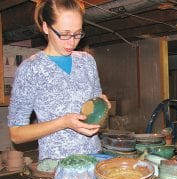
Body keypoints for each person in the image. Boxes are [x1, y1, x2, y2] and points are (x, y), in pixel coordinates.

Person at [8, 0, 110, 161]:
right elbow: (16, 134)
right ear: (46, 27)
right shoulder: (30, 69)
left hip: (92, 158)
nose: (72, 42)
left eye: (77, 33)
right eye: (64, 34)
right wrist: (63, 122)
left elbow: (93, 108)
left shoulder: (87, 62)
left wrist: (102, 105)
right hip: (56, 166)